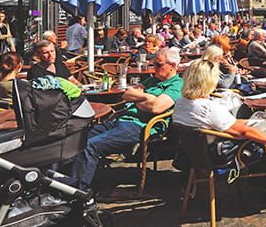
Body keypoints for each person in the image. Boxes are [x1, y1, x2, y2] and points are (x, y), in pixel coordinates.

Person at [70, 48, 183, 190]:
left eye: (158, 65)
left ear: (172, 66)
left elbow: (156, 108)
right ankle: (61, 182)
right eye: (153, 64)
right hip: (121, 120)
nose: (154, 68)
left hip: (140, 127)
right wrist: (148, 98)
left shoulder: (177, 85)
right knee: (75, 139)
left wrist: (141, 97)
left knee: (90, 146)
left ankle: (77, 192)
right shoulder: (153, 79)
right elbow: (127, 94)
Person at [172, 58, 266, 156]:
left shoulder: (181, 102)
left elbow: (225, 124)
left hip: (194, 155)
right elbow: (243, 131)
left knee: (257, 128)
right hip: (219, 156)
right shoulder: (208, 108)